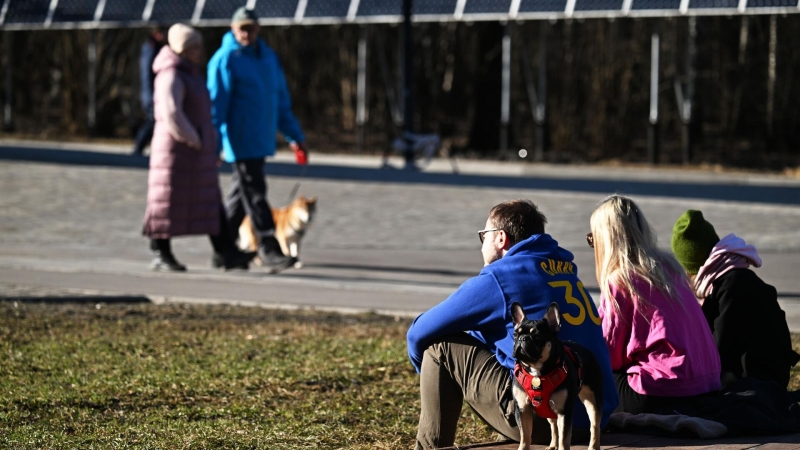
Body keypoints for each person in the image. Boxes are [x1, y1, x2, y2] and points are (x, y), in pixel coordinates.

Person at [406, 199, 618, 450]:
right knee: (512, 350)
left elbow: (418, 333)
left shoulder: (499, 278)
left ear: (500, 238)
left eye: (483, 235)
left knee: (439, 349)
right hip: (595, 416)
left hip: (545, 418)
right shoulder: (564, 271)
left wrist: (429, 374)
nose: (482, 244)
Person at [589, 195, 721, 415]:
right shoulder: (671, 269)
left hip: (664, 389)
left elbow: (609, 356)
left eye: (592, 239)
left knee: (591, 376)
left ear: (606, 240)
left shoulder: (621, 279)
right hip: (707, 386)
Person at [141, 24, 254, 272]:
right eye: (194, 47)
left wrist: (207, 144)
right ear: (182, 48)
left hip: (195, 150)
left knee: (210, 200)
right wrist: (197, 140)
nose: (199, 52)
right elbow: (172, 114)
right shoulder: (171, 75)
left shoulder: (190, 73)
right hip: (175, 152)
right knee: (166, 201)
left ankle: (227, 251)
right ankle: (161, 251)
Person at [207, 7, 309, 273]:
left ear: (258, 28)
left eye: (250, 28)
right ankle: (268, 246)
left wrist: (295, 137)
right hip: (239, 139)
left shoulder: (268, 58)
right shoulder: (225, 60)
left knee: (240, 196)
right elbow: (216, 108)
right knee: (255, 193)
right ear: (233, 28)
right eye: (242, 28)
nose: (246, 33)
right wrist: (213, 145)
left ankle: (223, 249)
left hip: (261, 139)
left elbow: (280, 100)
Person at [671, 210, 799, 388]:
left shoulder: (732, 287)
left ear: (694, 267)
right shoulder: (726, 280)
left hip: (758, 384)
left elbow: (716, 352)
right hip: (751, 377)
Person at [133, 27, 166, 156]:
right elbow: (147, 74)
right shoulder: (150, 48)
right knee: (151, 121)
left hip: (153, 92)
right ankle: (138, 147)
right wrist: (152, 94)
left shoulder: (155, 47)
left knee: (152, 120)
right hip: (151, 93)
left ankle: (140, 147)